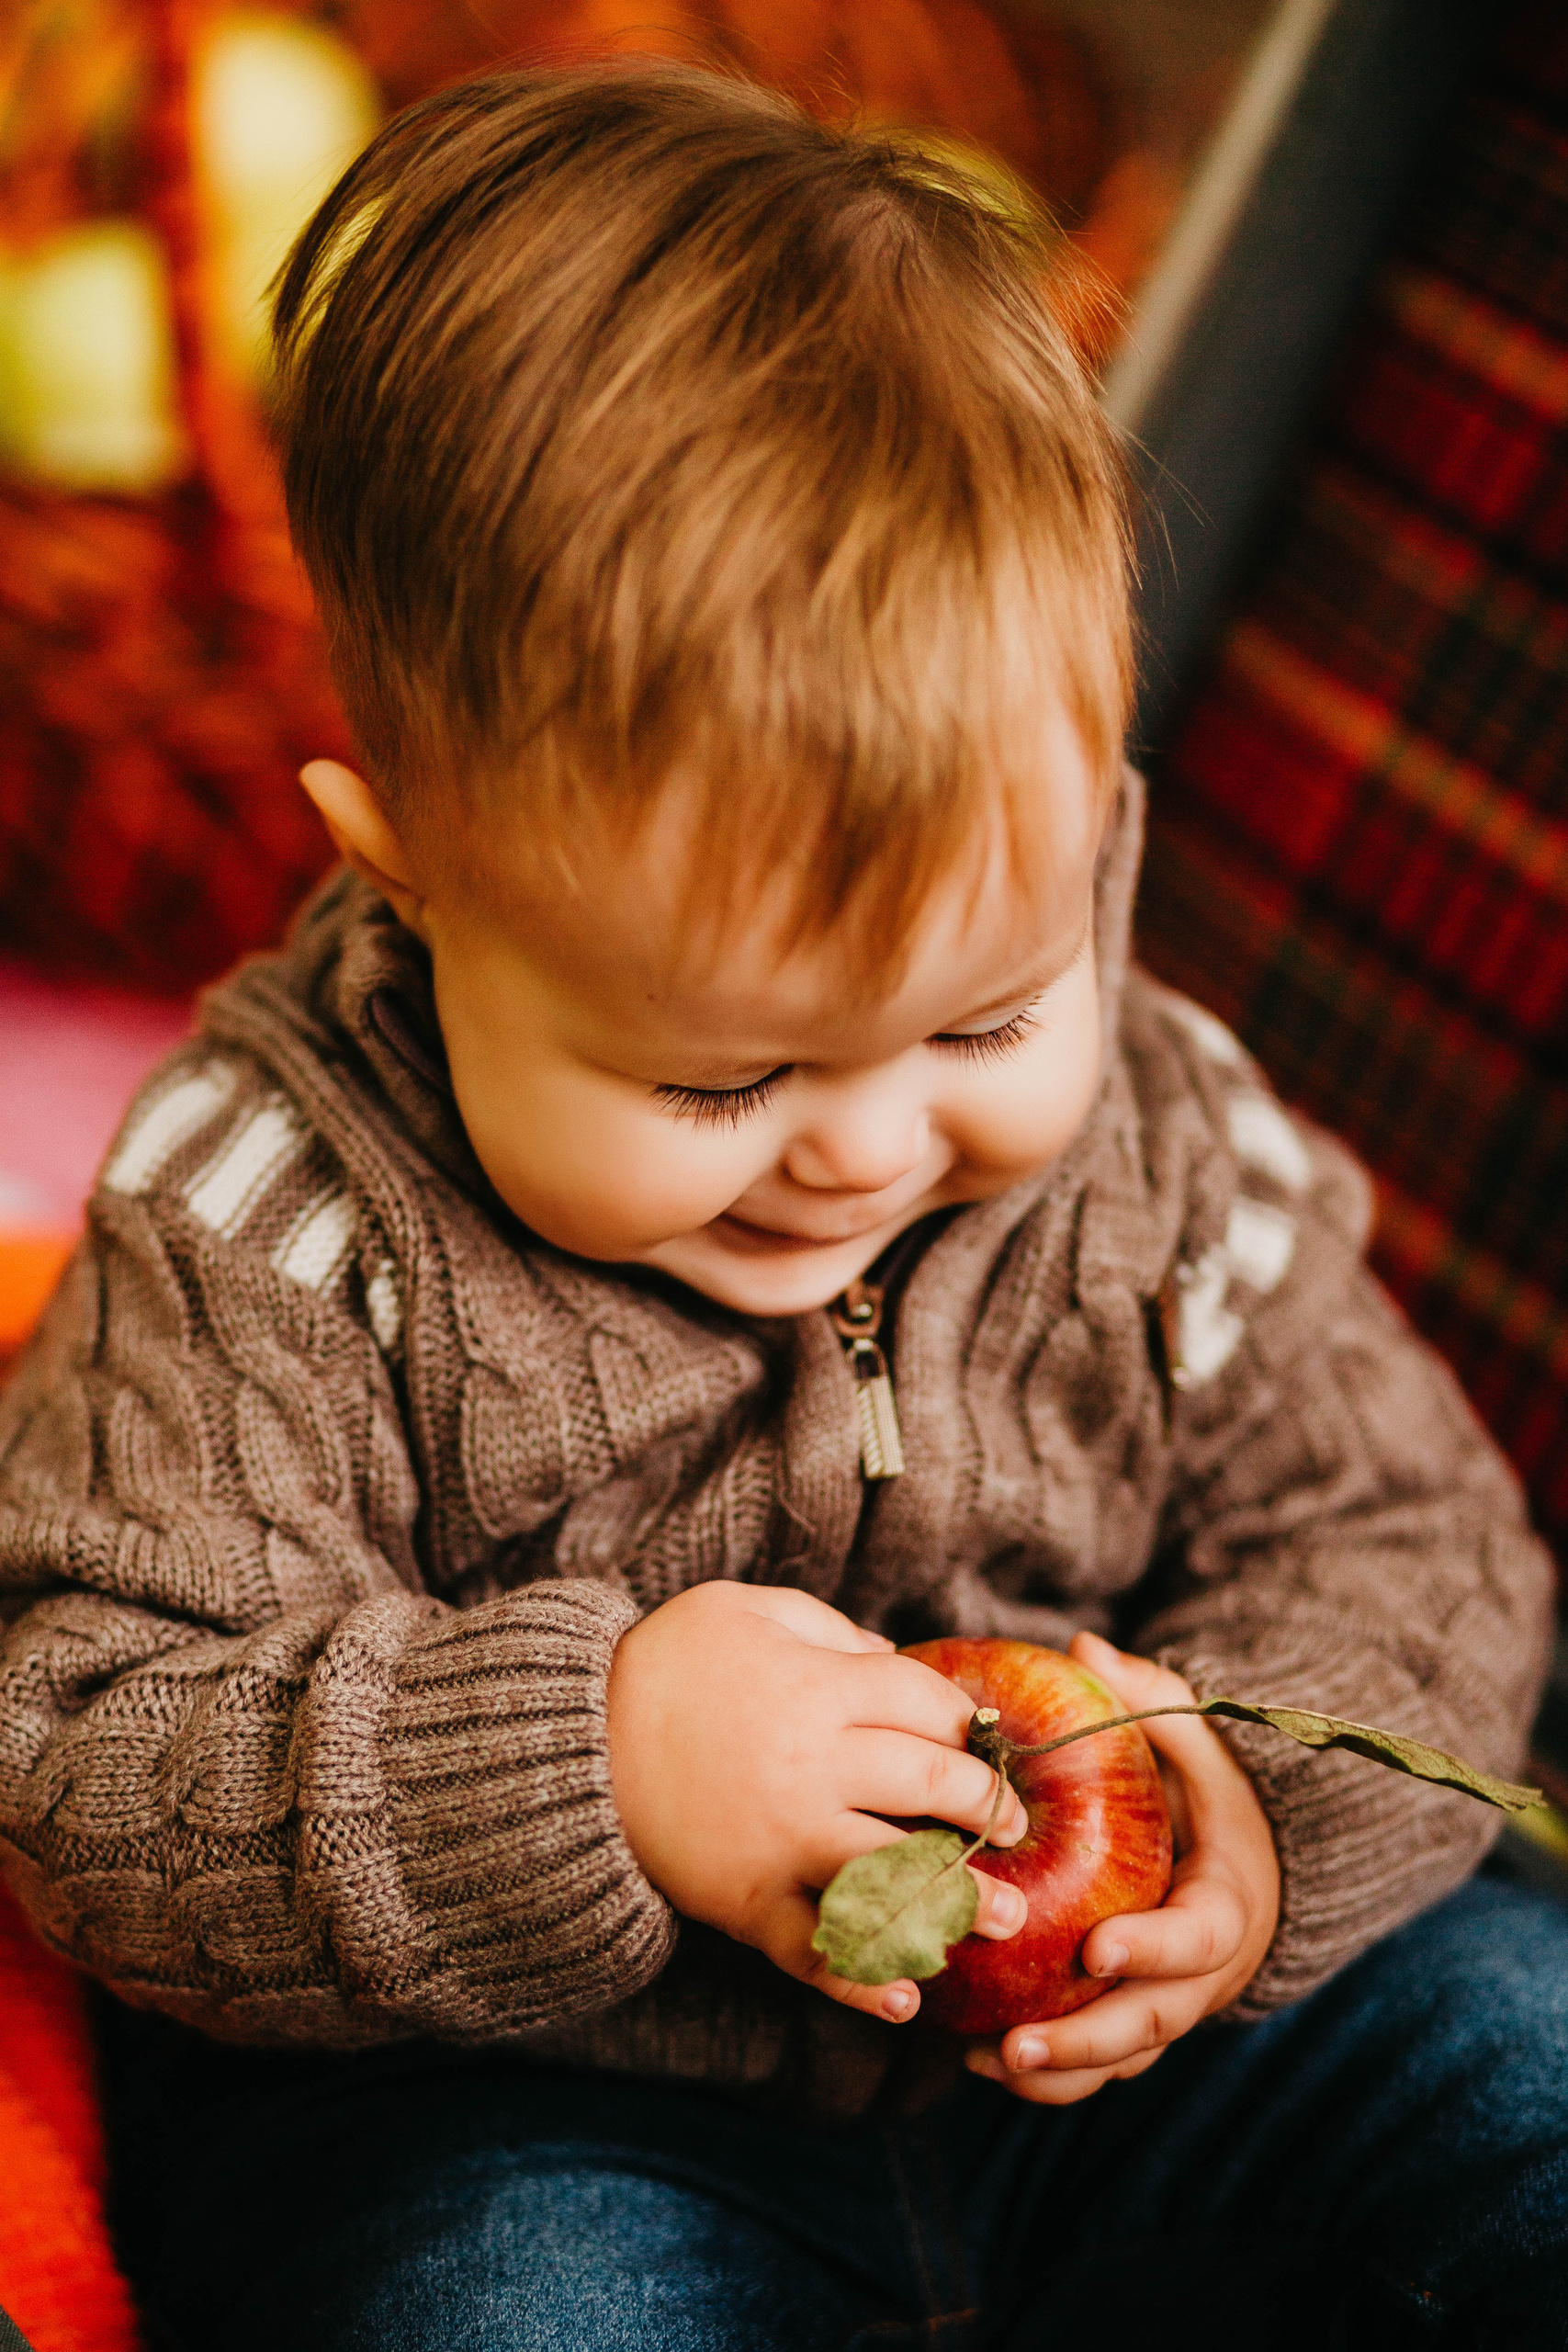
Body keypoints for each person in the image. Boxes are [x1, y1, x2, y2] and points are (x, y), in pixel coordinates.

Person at [1, 59, 1564, 2351]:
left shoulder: (1158, 1129)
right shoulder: (264, 1221)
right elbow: (83, 1738)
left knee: (1520, 2078)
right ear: (405, 878)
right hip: (518, 2104)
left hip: (1130, 2072)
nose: (858, 1145)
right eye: (719, 1068)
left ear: (1095, 839)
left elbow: (1416, 1534)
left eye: (980, 1015)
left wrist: (1254, 1817)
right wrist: (589, 1761)